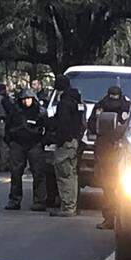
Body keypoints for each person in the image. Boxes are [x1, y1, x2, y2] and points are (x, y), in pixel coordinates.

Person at [88, 84, 131, 229]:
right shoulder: (121, 105)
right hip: (111, 152)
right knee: (111, 188)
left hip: (117, 151)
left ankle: (118, 219)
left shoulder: (125, 106)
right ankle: (113, 219)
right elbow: (92, 125)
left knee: (113, 188)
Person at [47, 73, 84, 217]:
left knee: (64, 175)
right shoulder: (77, 102)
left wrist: (58, 138)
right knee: (72, 175)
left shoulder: (64, 103)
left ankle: (68, 207)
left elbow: (63, 124)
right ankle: (72, 205)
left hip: (65, 142)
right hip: (74, 141)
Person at [4, 88, 47, 211]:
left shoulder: (40, 112)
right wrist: (10, 140)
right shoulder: (15, 111)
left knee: (38, 173)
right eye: (24, 99)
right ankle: (14, 200)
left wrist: (43, 141)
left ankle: (39, 201)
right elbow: (8, 126)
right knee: (15, 173)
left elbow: (48, 127)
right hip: (17, 144)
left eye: (28, 99)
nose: (26, 101)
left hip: (35, 144)